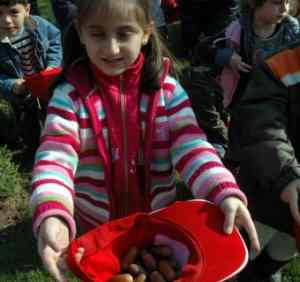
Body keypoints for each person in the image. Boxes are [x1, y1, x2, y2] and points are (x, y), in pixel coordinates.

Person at [29, 1, 260, 281]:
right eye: (98, 34)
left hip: (157, 224)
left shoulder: (167, 91)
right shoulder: (70, 98)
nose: (111, 48)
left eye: (124, 34)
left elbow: (193, 147)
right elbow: (55, 158)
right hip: (97, 229)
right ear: (80, 32)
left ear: (147, 32)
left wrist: (222, 190)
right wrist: (53, 213)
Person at [230, 38, 300, 281]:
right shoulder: (281, 67)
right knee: (242, 251)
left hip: (293, 226)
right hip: (264, 195)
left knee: (280, 254)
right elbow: (263, 128)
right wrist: (288, 177)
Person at [214, 0, 299, 170]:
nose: (284, 8)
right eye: (277, 3)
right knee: (238, 141)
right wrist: (228, 56)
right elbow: (212, 47)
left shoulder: (292, 32)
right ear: (254, 3)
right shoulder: (238, 30)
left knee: (274, 140)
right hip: (243, 98)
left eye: (287, 2)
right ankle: (232, 172)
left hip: (279, 102)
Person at [0, 0, 62, 149]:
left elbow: (55, 41)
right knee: (28, 123)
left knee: (56, 114)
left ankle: (60, 144)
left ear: (27, 9)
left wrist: (53, 64)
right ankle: (34, 149)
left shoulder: (38, 25)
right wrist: (11, 85)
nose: (6, 20)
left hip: (46, 83)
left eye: (14, 12)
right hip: (22, 92)